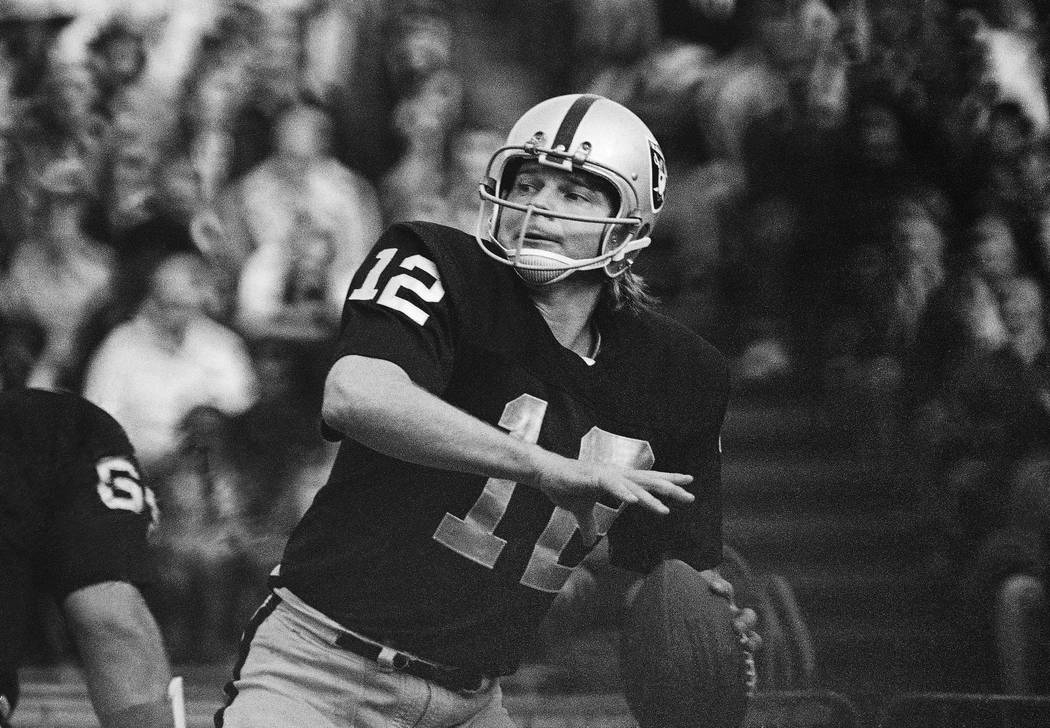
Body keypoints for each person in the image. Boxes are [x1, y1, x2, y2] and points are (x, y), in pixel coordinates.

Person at [216, 93, 758, 728]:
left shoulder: (680, 373)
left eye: (575, 194)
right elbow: (357, 394)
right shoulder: (437, 262)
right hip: (319, 672)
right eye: (528, 183)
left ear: (630, 222)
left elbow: (662, 571)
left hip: (472, 704)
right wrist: (541, 467)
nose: (538, 208)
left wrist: (709, 626)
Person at [0, 387, 174, 728]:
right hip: (53, 437)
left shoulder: (54, 424)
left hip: (50, 438)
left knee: (108, 613)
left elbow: (111, 621)